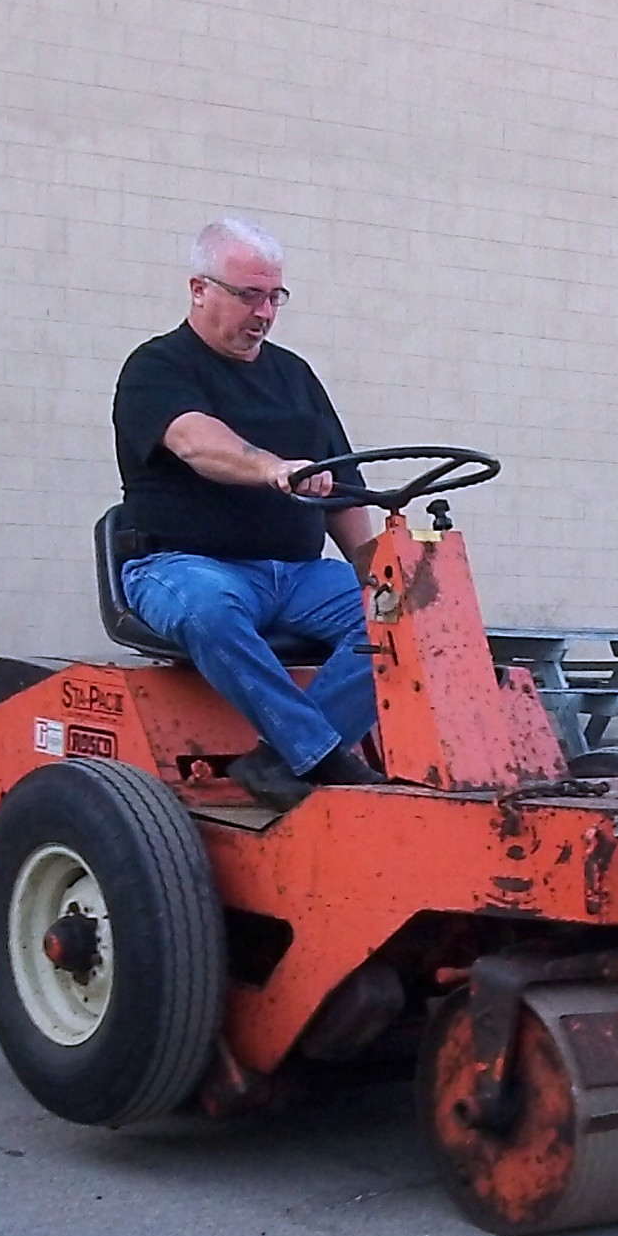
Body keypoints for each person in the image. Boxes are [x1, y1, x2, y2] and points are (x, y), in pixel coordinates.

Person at [111, 219, 386, 809]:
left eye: (274, 297)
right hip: (183, 563)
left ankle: (278, 758)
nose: (263, 313)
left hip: (297, 575)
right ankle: (321, 755)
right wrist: (272, 469)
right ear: (199, 289)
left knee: (404, 616)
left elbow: (343, 485)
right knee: (210, 610)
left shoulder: (295, 376)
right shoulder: (157, 367)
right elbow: (194, 440)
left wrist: (378, 575)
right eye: (248, 296)